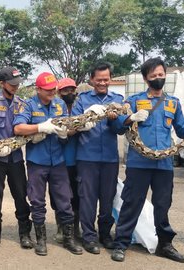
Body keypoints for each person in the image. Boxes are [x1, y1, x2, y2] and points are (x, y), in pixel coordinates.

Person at [110, 58, 184, 263]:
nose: (158, 78)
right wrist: (131, 118)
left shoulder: (173, 102)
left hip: (164, 164)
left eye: (161, 74)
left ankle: (165, 244)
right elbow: (117, 127)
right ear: (146, 78)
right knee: (132, 202)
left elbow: (182, 130)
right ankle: (121, 243)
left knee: (163, 204)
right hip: (139, 163)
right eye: (153, 75)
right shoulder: (134, 101)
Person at [13, 72, 83, 256]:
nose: (52, 92)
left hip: (58, 161)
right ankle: (41, 240)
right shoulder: (29, 104)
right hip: (37, 162)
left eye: (54, 89)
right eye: (48, 90)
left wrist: (66, 132)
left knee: (64, 200)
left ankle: (68, 239)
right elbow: (18, 128)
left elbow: (68, 129)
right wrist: (39, 127)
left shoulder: (59, 104)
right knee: (37, 201)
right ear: (38, 89)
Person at [71, 62, 124, 254]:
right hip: (87, 157)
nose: (103, 82)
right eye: (99, 79)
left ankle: (105, 235)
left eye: (106, 79)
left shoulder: (117, 99)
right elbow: (74, 126)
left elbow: (120, 130)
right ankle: (89, 237)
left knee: (108, 199)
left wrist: (114, 119)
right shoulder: (82, 100)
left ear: (110, 79)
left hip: (110, 158)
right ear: (92, 80)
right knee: (87, 198)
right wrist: (88, 118)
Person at [0, 67, 33, 252]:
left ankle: (25, 234)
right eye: (12, 84)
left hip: (16, 158)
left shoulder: (21, 102)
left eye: (17, 84)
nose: (15, 87)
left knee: (21, 194)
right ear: (1, 83)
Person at [50, 77, 81, 244]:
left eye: (72, 90)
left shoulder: (79, 109)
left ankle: (75, 228)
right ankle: (60, 227)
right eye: (66, 90)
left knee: (77, 196)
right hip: (58, 160)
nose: (70, 93)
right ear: (59, 92)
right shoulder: (54, 108)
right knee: (58, 197)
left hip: (77, 160)